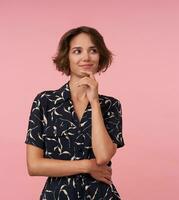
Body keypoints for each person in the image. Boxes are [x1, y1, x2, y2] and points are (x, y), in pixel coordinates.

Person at [25, 26, 125, 200]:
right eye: (77, 51)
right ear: (67, 57)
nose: (86, 57)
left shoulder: (110, 105)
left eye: (93, 50)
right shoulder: (45, 102)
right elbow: (34, 166)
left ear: (100, 56)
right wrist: (86, 165)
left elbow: (102, 157)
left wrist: (94, 102)